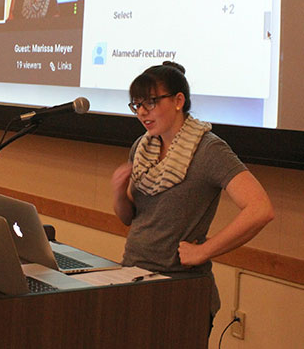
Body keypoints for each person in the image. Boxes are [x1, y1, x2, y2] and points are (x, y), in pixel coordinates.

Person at [112, 61, 273, 325]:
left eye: (150, 102)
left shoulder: (208, 150)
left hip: (181, 291)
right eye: (136, 104)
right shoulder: (142, 147)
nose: (141, 112)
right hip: (133, 276)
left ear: (178, 101)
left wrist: (204, 250)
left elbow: (261, 209)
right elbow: (128, 217)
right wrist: (119, 193)